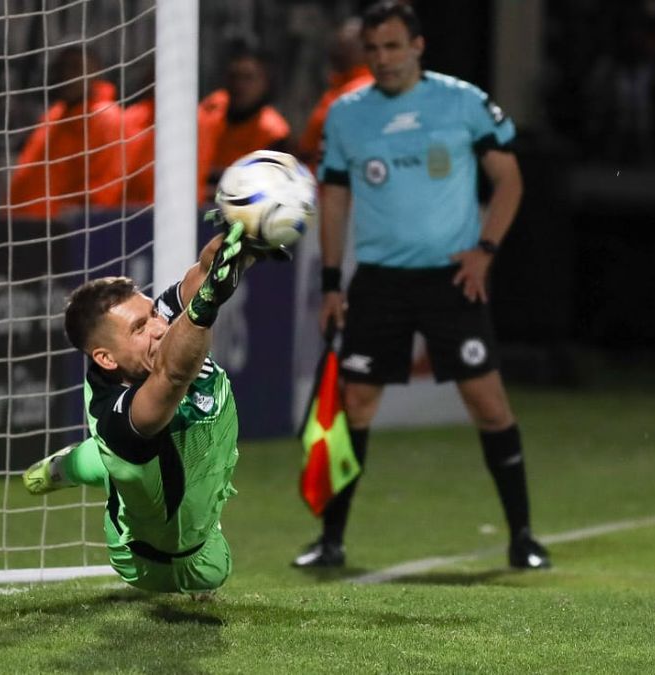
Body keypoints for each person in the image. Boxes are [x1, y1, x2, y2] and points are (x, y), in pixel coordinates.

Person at [293, 1, 550, 570]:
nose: (382, 59)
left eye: (392, 46)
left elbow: (508, 181)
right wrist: (333, 283)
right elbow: (333, 200)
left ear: (417, 46)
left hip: (450, 278)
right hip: (380, 281)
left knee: (487, 404)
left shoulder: (463, 102)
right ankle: (330, 540)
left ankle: (523, 537)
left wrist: (485, 251)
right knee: (356, 404)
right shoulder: (345, 115)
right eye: (373, 49)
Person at [22, 217, 258, 595]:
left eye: (150, 314)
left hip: (137, 464)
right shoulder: (121, 418)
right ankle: (70, 467)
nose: (159, 327)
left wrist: (245, 237)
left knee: (101, 463)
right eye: (139, 328)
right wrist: (207, 302)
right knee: (213, 568)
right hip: (158, 560)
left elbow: (203, 272)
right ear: (106, 358)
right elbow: (173, 376)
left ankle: (62, 466)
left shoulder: (143, 342)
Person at [9, 44, 124, 218]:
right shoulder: (55, 114)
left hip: (63, 234)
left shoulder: (105, 118)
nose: (66, 75)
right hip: (24, 227)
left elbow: (102, 191)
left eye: (75, 67)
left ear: (96, 71)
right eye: (61, 68)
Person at [197, 39, 290, 201]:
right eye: (234, 77)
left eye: (248, 78)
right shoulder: (209, 109)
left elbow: (268, 192)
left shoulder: (274, 132)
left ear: (265, 83)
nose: (239, 85)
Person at [295, 18, 374, 171]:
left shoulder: (364, 89)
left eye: (347, 45)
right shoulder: (338, 87)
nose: (337, 50)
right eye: (338, 43)